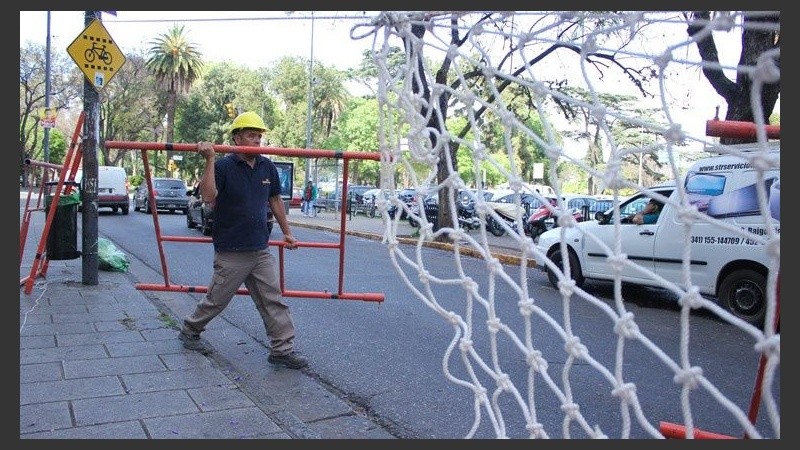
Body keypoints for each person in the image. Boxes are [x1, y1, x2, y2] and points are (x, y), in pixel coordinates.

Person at [179, 111, 308, 370]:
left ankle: (282, 349)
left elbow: (274, 200)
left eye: (259, 136)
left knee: (273, 300)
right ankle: (190, 329)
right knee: (217, 299)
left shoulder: (266, 166)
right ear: (237, 139)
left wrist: (288, 232)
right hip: (232, 250)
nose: (257, 141)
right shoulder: (224, 166)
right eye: (251, 135)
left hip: (260, 248)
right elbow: (207, 197)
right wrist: (209, 160)